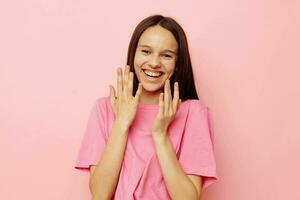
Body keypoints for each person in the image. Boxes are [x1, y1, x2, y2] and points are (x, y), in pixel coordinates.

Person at [74, 14, 218, 200]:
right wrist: (122, 123)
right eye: (146, 51)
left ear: (177, 64)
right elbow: (100, 195)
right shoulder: (105, 108)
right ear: (133, 53)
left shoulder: (194, 113)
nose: (154, 62)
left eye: (166, 55)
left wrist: (160, 135)